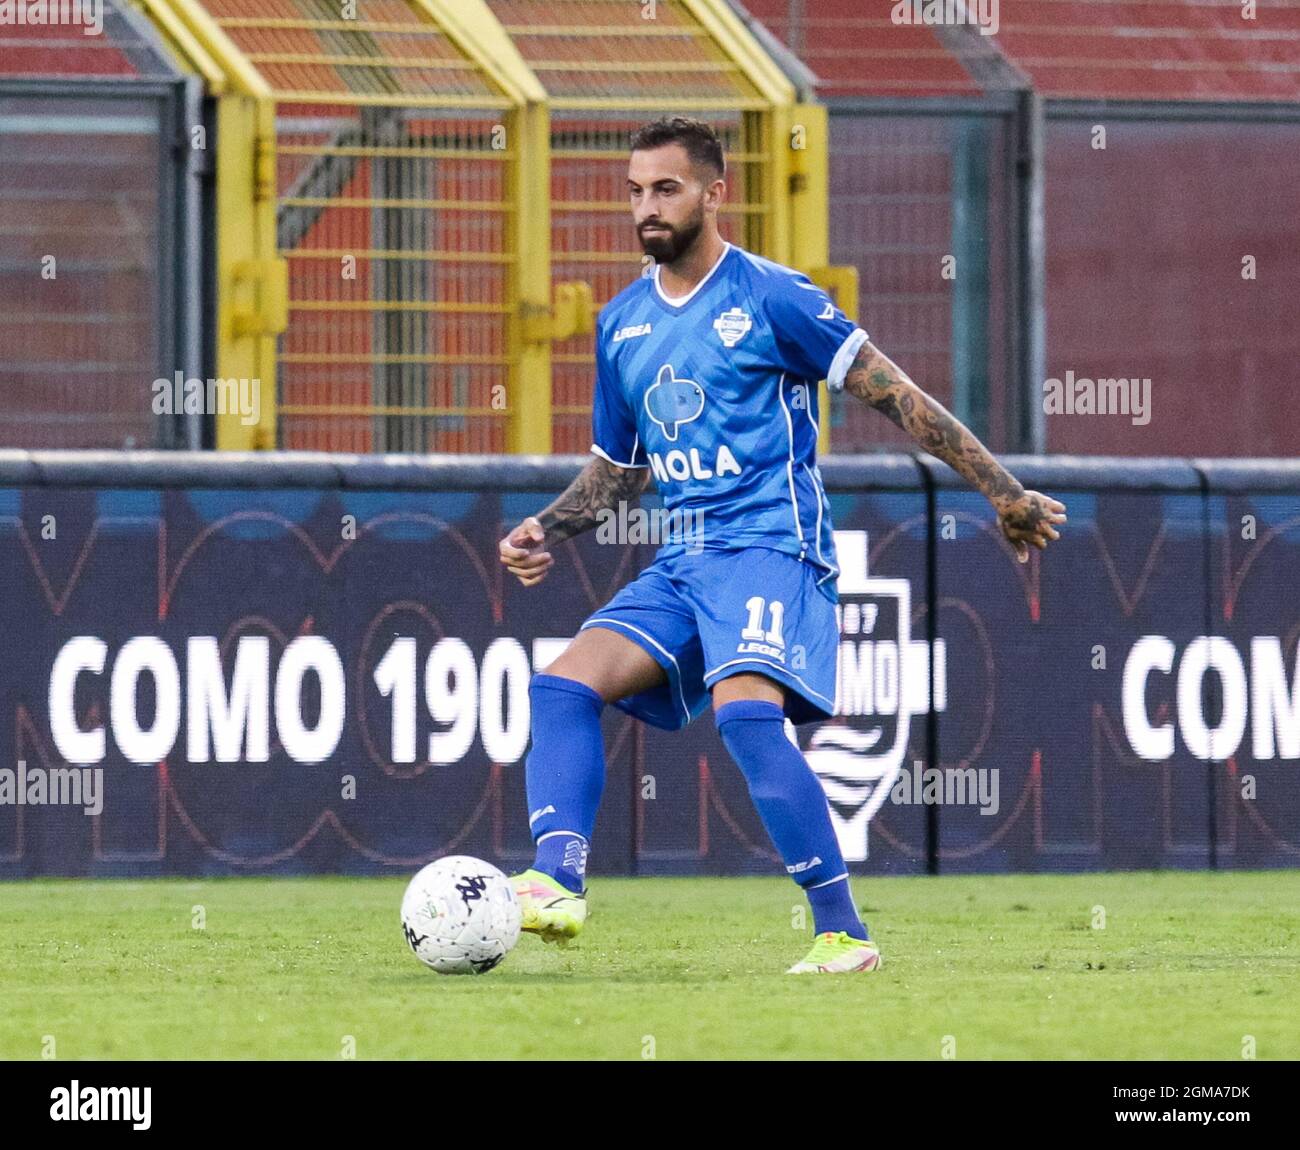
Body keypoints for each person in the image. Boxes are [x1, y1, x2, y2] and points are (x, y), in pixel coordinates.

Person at [499, 116, 1066, 973]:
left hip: (771, 546)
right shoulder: (621, 325)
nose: (647, 207)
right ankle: (558, 882)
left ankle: (843, 934)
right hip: (682, 561)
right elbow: (619, 470)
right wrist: (548, 525)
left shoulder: (774, 297)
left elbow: (899, 396)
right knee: (562, 687)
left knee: (747, 718)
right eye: (635, 191)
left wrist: (1003, 491)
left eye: (667, 188)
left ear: (714, 193)